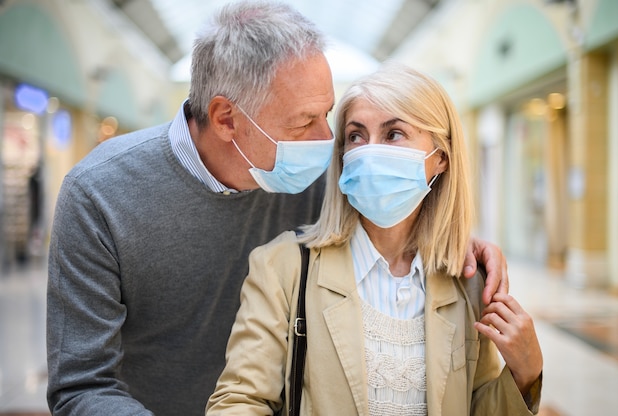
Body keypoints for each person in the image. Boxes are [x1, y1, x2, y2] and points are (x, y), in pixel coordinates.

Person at [47, 2, 509, 416]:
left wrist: (461, 246)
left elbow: (393, 212)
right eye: (304, 121)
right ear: (227, 118)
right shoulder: (98, 195)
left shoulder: (309, 177)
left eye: (327, 116)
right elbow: (81, 385)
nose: (327, 141)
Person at [206, 63, 543, 416]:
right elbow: (239, 402)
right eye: (356, 136)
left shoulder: (468, 282)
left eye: (393, 133)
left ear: (440, 157)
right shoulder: (283, 267)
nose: (368, 151)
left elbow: (477, 407)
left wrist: (525, 373)